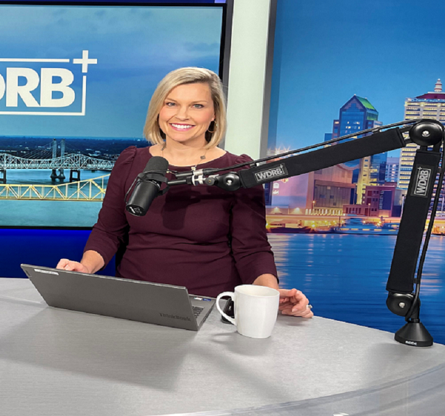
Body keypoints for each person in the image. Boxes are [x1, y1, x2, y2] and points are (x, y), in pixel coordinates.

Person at [57, 67, 312, 318]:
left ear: (214, 114)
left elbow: (252, 250)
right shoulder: (130, 161)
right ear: (159, 109)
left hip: (208, 312)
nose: (182, 115)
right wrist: (85, 268)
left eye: (197, 106)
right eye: (171, 104)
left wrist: (270, 295)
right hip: (133, 306)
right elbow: (108, 231)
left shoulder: (238, 172)